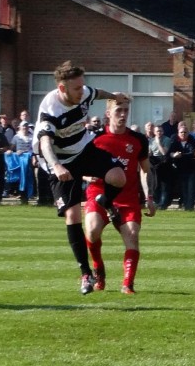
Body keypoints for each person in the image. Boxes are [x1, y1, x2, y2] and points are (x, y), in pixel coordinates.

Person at [33, 61, 129, 294]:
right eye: (76, 88)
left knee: (118, 177)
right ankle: (86, 274)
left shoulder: (83, 92)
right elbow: (45, 143)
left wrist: (115, 96)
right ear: (62, 89)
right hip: (59, 161)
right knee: (73, 214)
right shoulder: (51, 110)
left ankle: (105, 201)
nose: (82, 91)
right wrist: (56, 166)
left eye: (82, 86)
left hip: (82, 149)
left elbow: (96, 93)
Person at [83, 98, 155, 294]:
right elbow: (78, 166)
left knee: (132, 236)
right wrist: (85, 175)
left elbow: (145, 170)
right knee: (91, 230)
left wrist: (149, 197)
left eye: (125, 110)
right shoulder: (94, 139)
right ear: (108, 114)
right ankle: (98, 268)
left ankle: (127, 285)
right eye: (118, 110)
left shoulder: (138, 140)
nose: (123, 114)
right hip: (99, 193)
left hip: (127, 197)